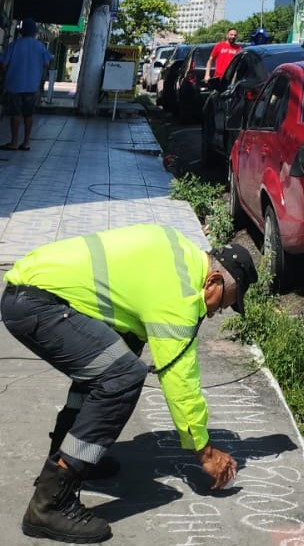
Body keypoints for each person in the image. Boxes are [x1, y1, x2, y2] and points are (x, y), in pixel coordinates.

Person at [1, 225, 258, 543]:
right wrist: (204, 452)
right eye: (222, 304)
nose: (215, 313)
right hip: (37, 304)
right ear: (213, 281)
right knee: (123, 376)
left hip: (30, 294)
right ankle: (50, 503)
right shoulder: (179, 293)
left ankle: (67, 455)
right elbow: (180, 381)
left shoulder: (177, 252)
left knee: (117, 357)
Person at [0, 18, 53, 151]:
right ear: (34, 32)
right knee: (28, 115)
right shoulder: (40, 47)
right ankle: (26, 142)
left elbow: (3, 64)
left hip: (14, 85)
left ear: (21, 32)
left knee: (15, 114)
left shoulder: (14, 45)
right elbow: (47, 64)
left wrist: (5, 76)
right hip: (32, 86)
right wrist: (40, 82)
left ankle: (14, 143)